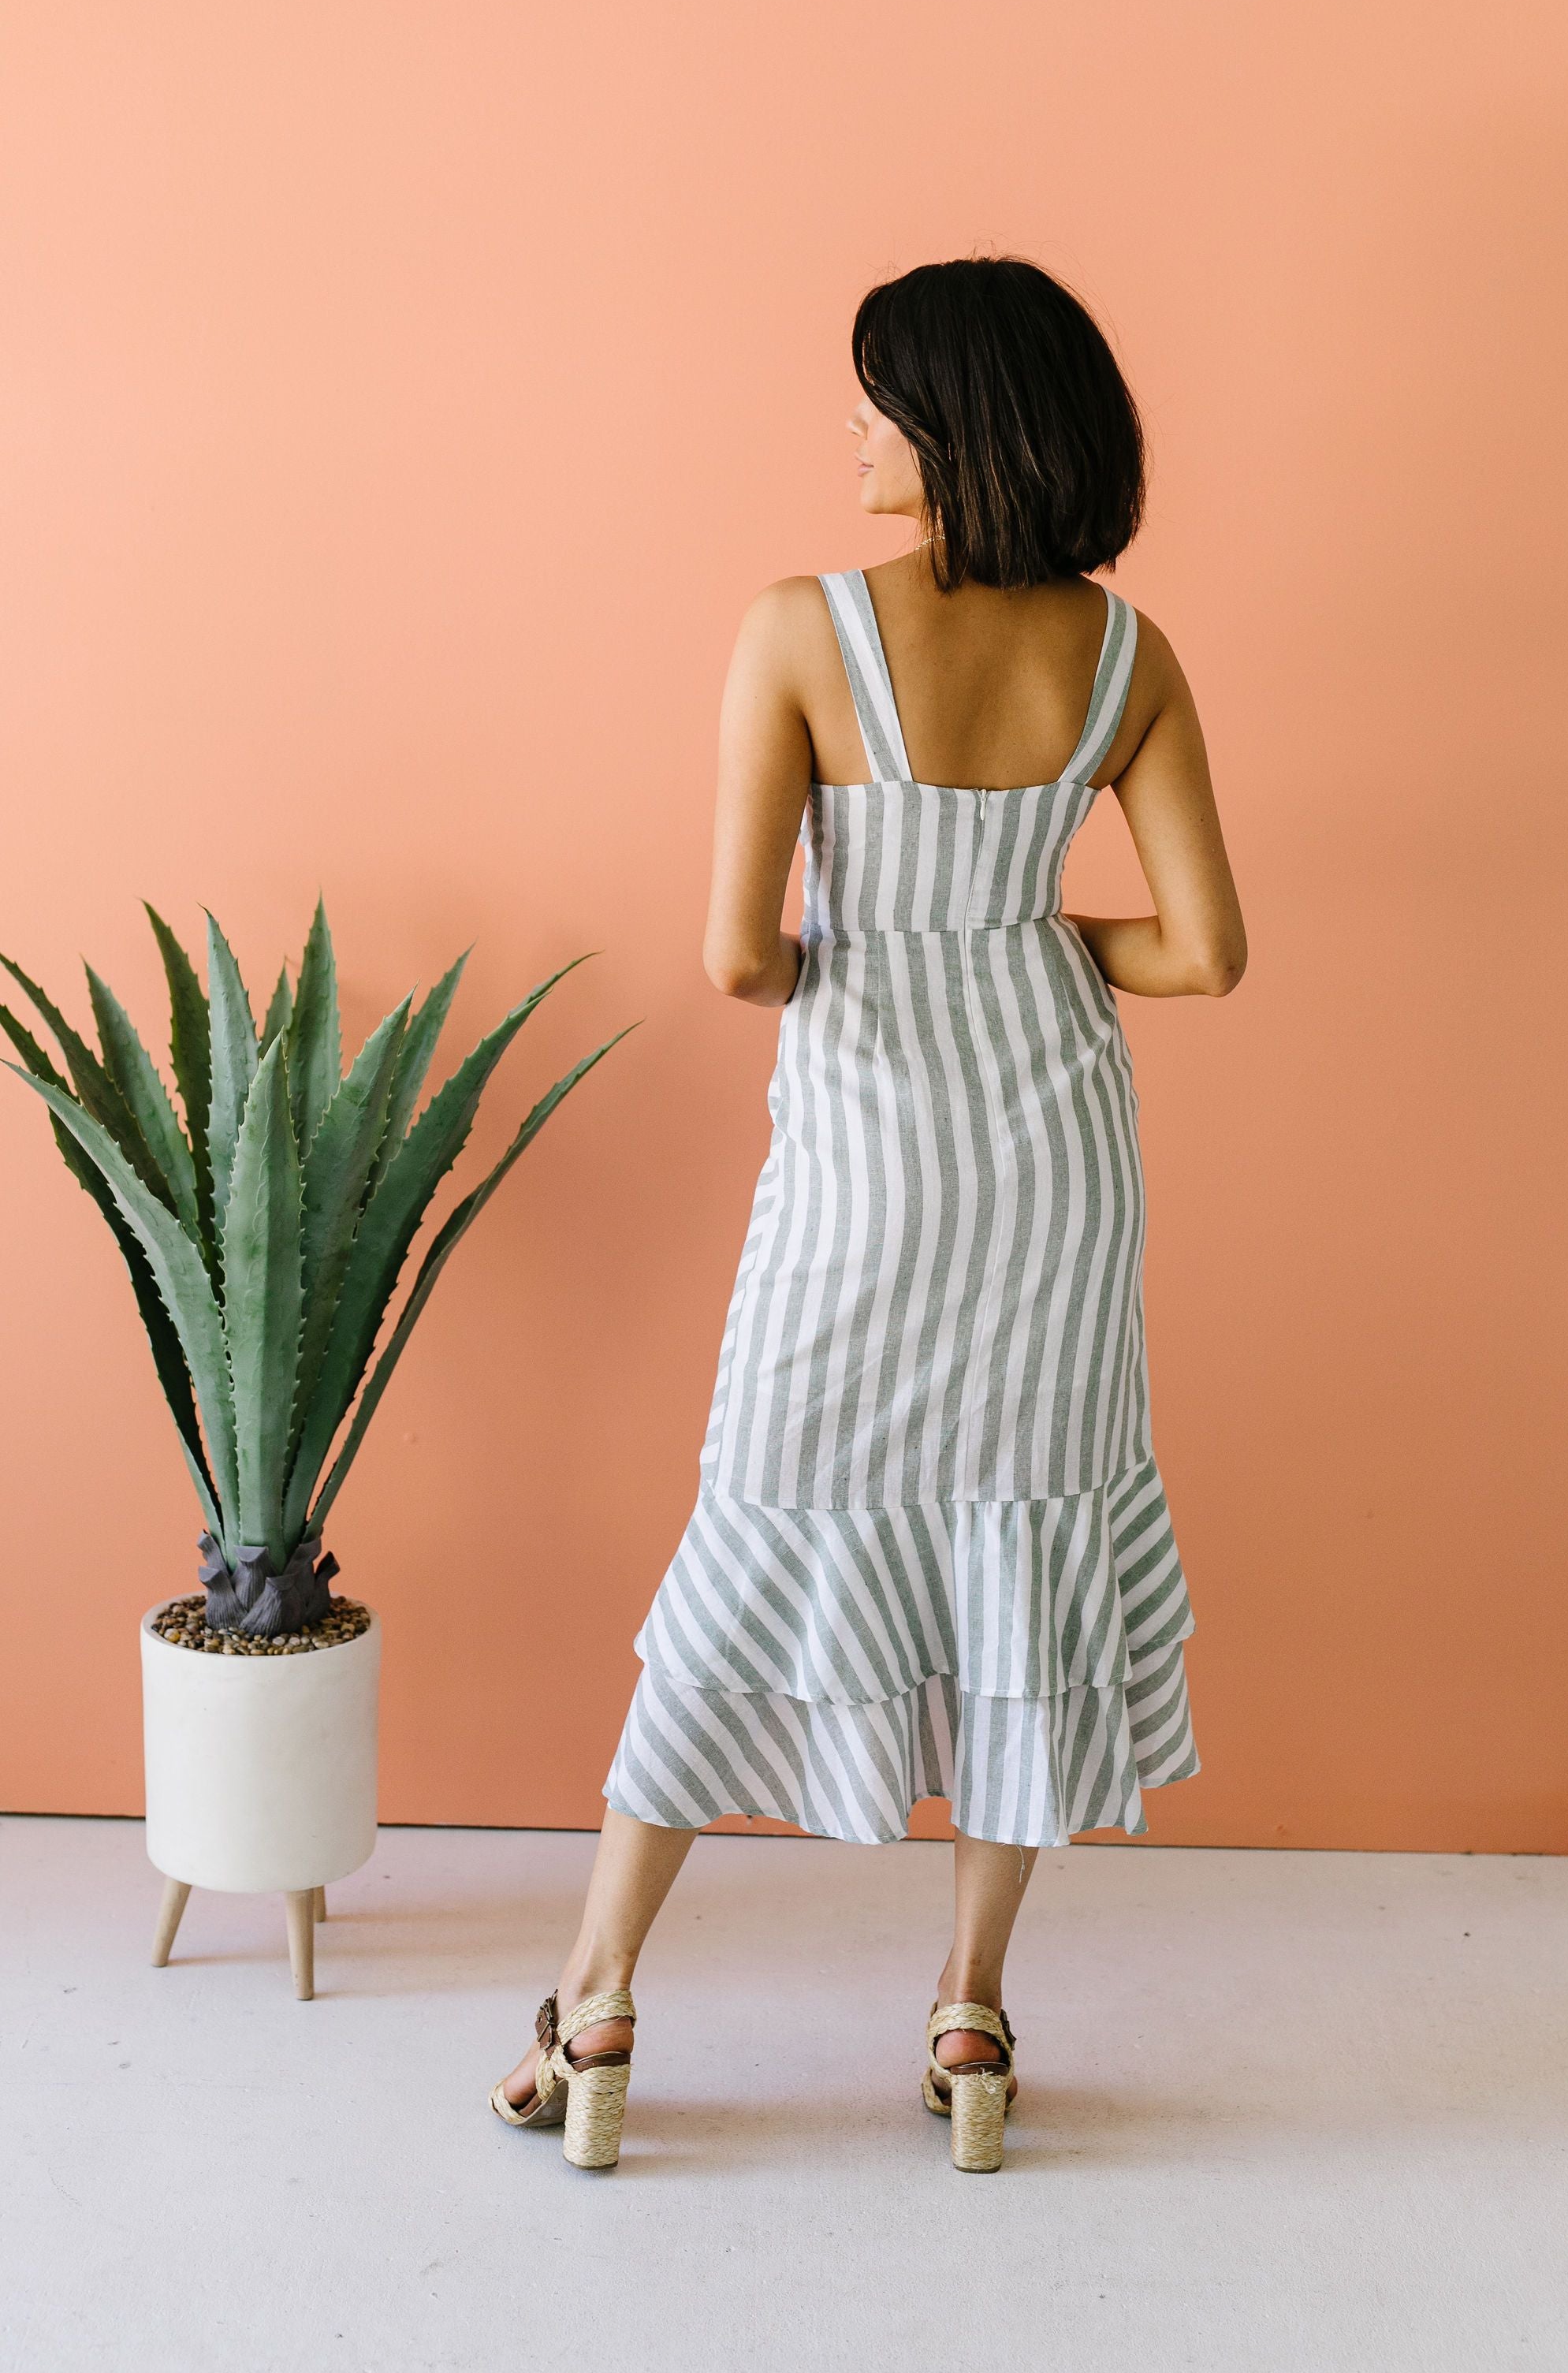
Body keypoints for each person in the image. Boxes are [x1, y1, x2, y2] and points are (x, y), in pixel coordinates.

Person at [490, 255, 1247, 2172]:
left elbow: (744, 959)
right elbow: (1209, 954)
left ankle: (594, 2001)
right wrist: (1037, 932)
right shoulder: (1126, 653)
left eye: (870, 399)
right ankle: (976, 2012)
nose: (848, 430)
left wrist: (891, 928)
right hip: (1057, 1176)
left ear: (949, 422)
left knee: (756, 1527)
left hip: (865, 1179)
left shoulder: (795, 630)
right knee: (1021, 1553)